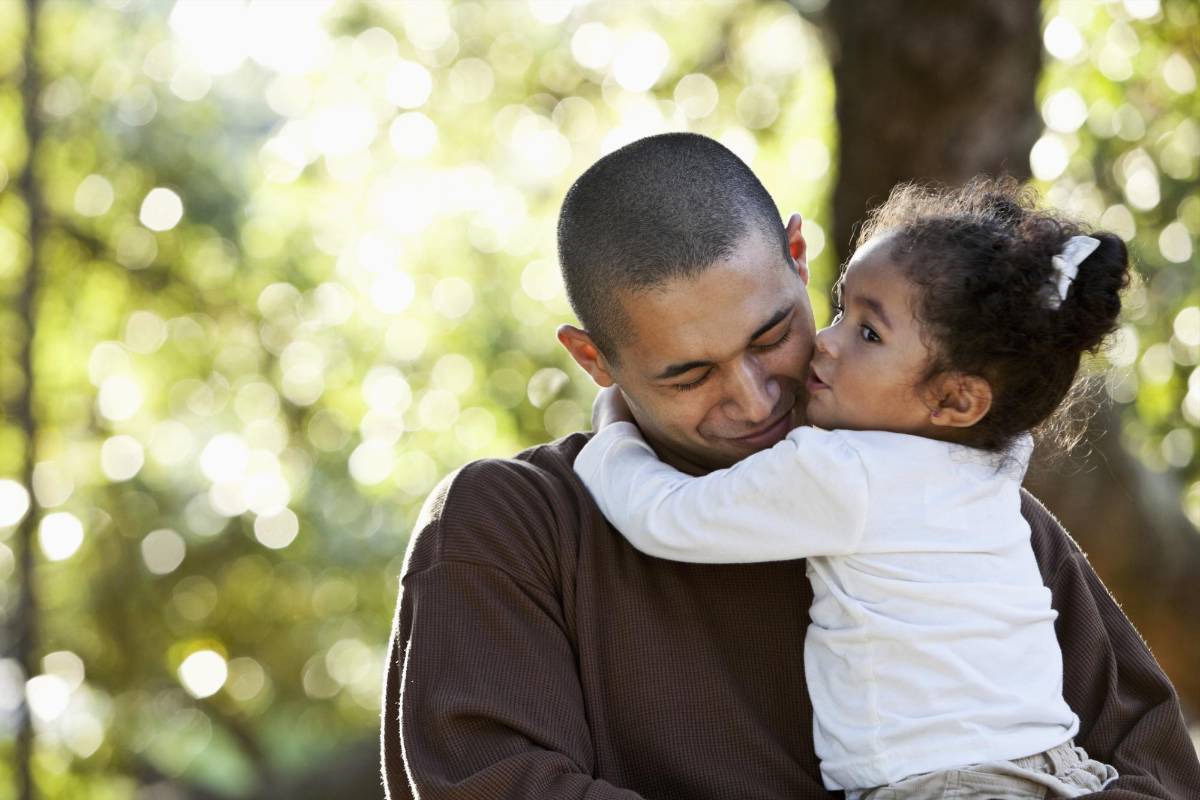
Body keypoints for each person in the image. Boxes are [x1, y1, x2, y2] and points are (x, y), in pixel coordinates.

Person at [380, 133, 1200, 799]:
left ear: (801, 257)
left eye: (772, 335)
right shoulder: (511, 528)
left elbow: (1157, 771)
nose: (755, 397)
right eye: (689, 375)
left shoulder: (957, 496)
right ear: (595, 360)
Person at [573, 178, 1126, 798]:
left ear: (956, 398)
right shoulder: (989, 474)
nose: (827, 343)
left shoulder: (843, 471)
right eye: (841, 311)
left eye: (868, 334)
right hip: (1057, 767)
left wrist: (612, 430)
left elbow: (665, 517)